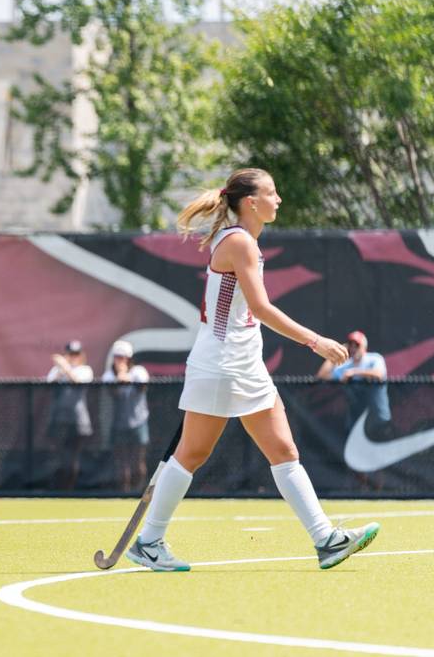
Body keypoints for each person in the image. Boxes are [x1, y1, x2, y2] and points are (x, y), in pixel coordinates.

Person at [126, 168, 380, 572]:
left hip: (239, 362)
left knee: (282, 450)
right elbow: (261, 308)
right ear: (251, 202)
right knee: (192, 453)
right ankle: (150, 541)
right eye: (272, 193)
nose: (278, 200)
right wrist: (316, 342)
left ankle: (326, 540)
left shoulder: (242, 242)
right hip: (225, 363)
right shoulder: (240, 243)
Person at [318, 330, 390, 491]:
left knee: (377, 455)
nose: (353, 348)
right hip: (355, 419)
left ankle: (380, 491)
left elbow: (379, 374)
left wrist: (354, 373)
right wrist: (337, 352)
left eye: (356, 344)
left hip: (376, 418)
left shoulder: (374, 359)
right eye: (350, 344)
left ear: (364, 346)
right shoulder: (345, 366)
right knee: (357, 456)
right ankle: (362, 489)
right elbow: (322, 375)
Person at [45, 340, 94, 490]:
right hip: (59, 420)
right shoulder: (57, 370)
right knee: (59, 457)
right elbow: (49, 382)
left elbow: (78, 380)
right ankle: (57, 489)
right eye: (70, 354)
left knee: (72, 457)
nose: (73, 357)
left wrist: (65, 366)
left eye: (76, 354)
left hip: (78, 421)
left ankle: (70, 490)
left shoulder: (85, 370)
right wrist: (61, 368)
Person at [101, 340, 150, 491]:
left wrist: (126, 377)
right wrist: (120, 377)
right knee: (121, 463)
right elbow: (113, 393)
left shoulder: (139, 372)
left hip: (139, 423)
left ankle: (138, 491)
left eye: (123, 357)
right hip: (119, 424)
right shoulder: (109, 375)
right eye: (117, 357)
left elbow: (141, 388)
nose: (120, 360)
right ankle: (124, 492)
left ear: (129, 359)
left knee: (138, 462)